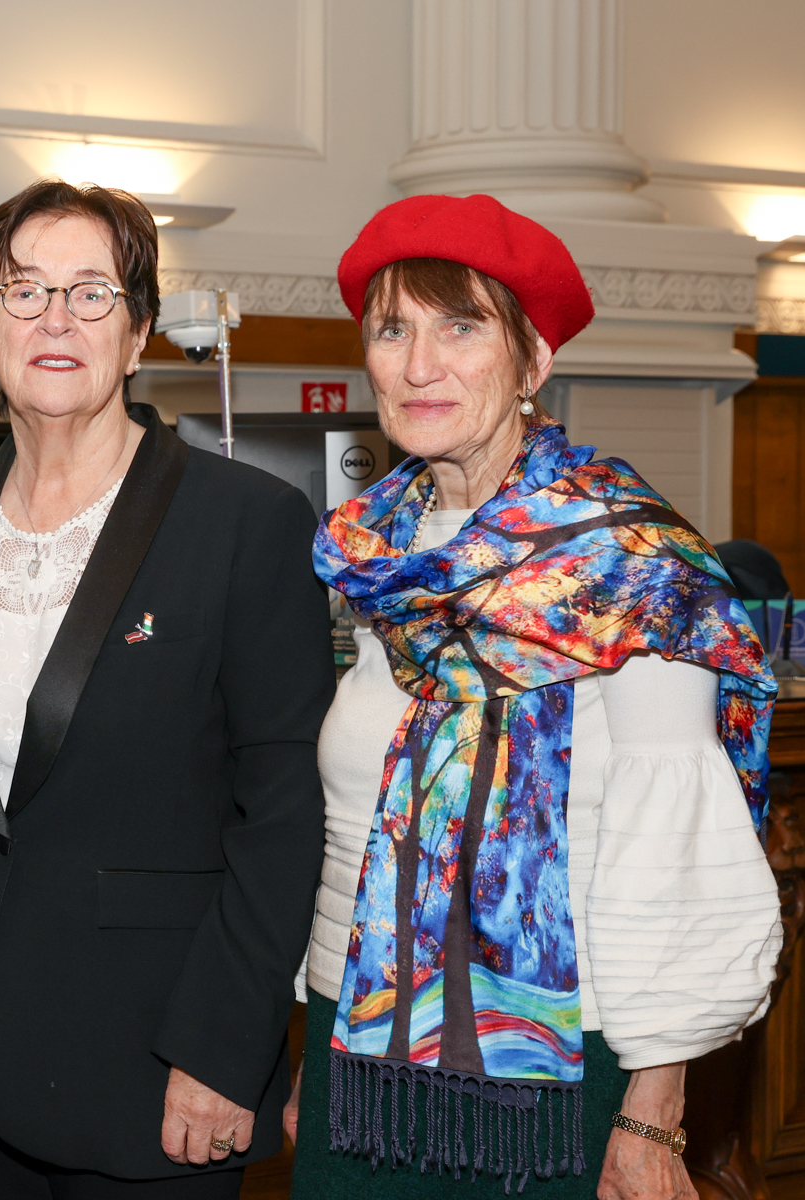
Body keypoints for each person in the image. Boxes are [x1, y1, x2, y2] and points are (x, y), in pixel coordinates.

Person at [288, 194, 782, 1199]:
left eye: (460, 325)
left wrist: (654, 1115)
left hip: (567, 1069)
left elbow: (673, 852)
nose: (420, 362)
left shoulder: (631, 565)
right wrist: (316, 1049)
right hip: (365, 1051)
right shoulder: (379, 557)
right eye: (394, 329)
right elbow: (355, 832)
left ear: (533, 360)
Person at [0, 179, 334, 1197]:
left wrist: (224, 1047)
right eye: (24, 291)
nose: (55, 318)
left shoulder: (247, 524)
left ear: (136, 338)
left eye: (92, 293)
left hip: (159, 1074)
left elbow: (285, 811)